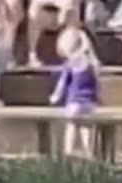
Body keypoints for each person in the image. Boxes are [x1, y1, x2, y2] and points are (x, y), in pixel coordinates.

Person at [48, 26, 100, 158]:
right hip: (89, 102)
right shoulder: (91, 63)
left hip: (74, 101)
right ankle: (88, 152)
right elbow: (97, 80)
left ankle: (68, 151)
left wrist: (55, 96)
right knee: (86, 126)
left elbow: (62, 83)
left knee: (71, 125)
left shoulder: (70, 64)